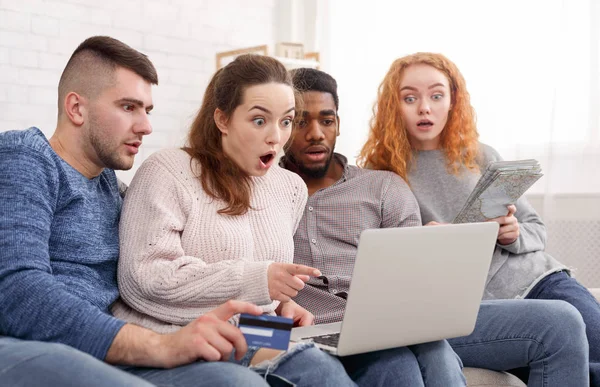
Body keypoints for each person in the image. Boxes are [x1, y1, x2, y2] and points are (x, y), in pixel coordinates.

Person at [113, 54, 430, 386]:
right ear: (222, 119)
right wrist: (259, 281)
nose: (277, 138)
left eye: (286, 121)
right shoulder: (167, 171)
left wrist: (283, 305)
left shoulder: (289, 188)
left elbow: (263, 279)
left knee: (394, 364)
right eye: (260, 121)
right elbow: (143, 278)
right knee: (318, 372)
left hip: (255, 330)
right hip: (176, 332)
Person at [283, 67, 590, 387]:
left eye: (327, 120)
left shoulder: (383, 185)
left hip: (401, 321)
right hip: (317, 332)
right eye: (301, 121)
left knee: (563, 321)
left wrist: (436, 248)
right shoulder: (263, 193)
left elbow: (417, 280)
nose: (316, 133)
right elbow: (251, 305)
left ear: (339, 124)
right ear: (284, 125)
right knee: (410, 361)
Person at [0, 36, 276, 387]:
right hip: (30, 345)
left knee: (247, 380)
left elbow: (177, 280)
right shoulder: (25, 157)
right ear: (76, 108)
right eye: (129, 107)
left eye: (147, 111)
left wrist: (273, 319)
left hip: (107, 348)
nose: (146, 126)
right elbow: (16, 290)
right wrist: (157, 346)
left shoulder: (114, 189)